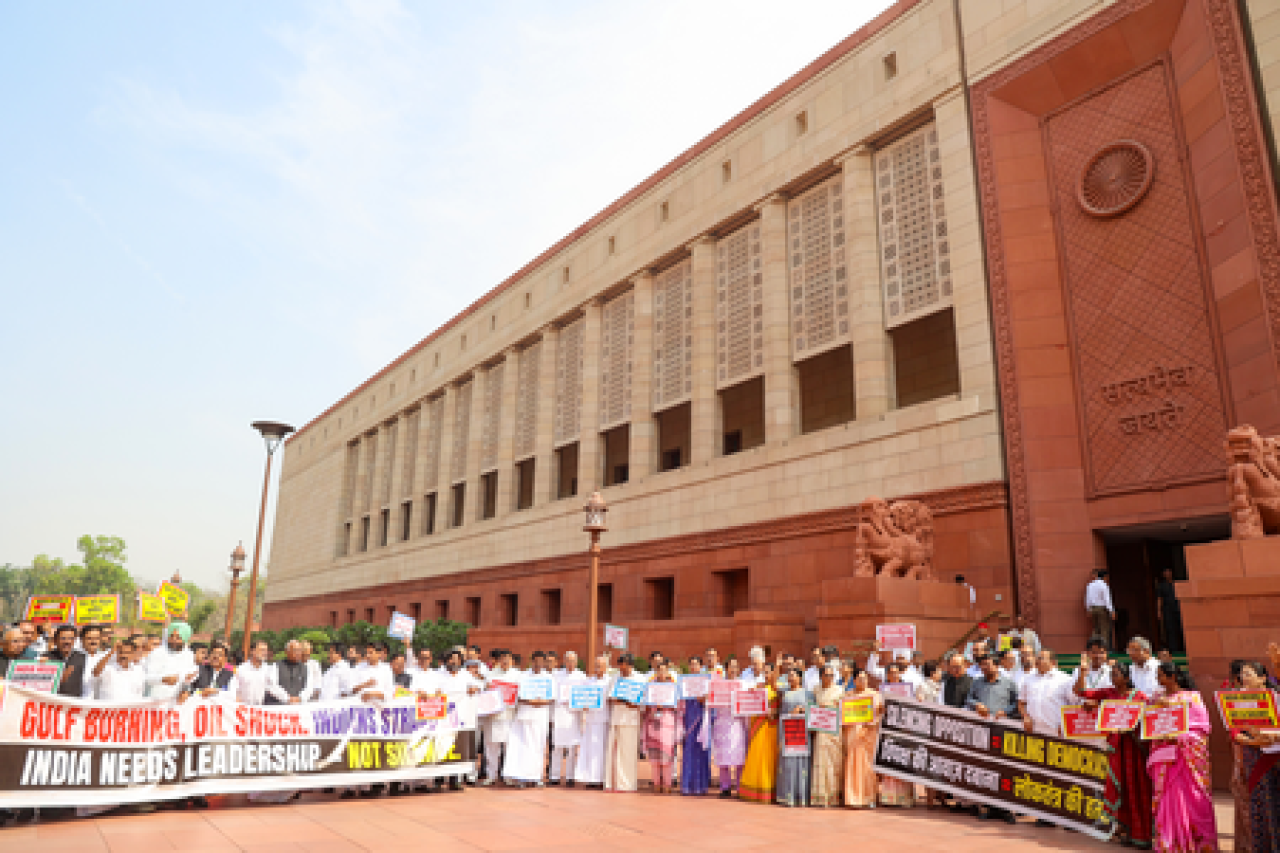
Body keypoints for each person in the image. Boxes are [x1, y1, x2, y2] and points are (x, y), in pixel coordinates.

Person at [1075, 660, 1153, 848]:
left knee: (1137, 787)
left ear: (1127, 678)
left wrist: (1130, 727)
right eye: (1112, 674)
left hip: (1135, 749)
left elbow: (1146, 722)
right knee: (1121, 788)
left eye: (1117, 674)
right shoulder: (1108, 693)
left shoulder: (1139, 696)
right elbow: (1081, 692)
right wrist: (1083, 672)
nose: (1113, 677)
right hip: (1118, 749)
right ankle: (1125, 830)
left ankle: (1141, 834)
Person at [1147, 661, 1218, 852]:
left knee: (1193, 799)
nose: (1157, 679)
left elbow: (1202, 729)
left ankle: (1197, 844)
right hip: (1165, 757)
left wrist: (1178, 737)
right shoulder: (1157, 697)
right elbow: (1151, 724)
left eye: (1161, 675)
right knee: (1168, 800)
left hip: (1186, 759)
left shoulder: (1192, 698)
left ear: (1172, 677)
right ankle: (1171, 844)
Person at [1231, 661, 1279, 852]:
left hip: (1274, 755)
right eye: (1242, 674)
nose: (1244, 677)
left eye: (1249, 674)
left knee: (1274, 802)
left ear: (1263, 678)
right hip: (1251, 754)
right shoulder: (1236, 699)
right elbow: (1234, 729)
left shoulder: (1275, 698)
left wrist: (1269, 738)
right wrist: (1251, 742)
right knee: (1258, 803)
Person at [966, 655, 1017, 823]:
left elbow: (1017, 703)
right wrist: (976, 705)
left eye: (988, 665)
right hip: (983, 731)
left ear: (997, 666)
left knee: (1003, 769)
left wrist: (1006, 711)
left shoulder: (1008, 683)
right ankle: (988, 806)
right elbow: (969, 699)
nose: (985, 668)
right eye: (982, 666)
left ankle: (1005, 809)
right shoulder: (977, 682)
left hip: (1003, 732)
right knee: (986, 767)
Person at [505, 651, 552, 788]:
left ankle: (536, 777)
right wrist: (530, 701)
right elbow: (517, 696)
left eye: (540, 661)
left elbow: (551, 698)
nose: (538, 664)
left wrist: (537, 702)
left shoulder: (549, 678)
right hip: (524, 716)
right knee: (523, 747)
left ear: (543, 663)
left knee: (538, 747)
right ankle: (521, 777)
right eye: (535, 661)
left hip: (540, 718)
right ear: (532, 661)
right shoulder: (523, 676)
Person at [739, 657, 778, 805]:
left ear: (775, 673)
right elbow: (749, 703)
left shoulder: (777, 688)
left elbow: (780, 706)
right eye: (765, 672)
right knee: (757, 757)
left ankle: (769, 791)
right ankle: (754, 790)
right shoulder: (758, 687)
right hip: (759, 726)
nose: (767, 675)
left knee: (769, 760)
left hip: (771, 727)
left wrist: (774, 712)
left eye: (770, 672)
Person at [605, 653, 645, 792]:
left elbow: (643, 700)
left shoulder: (640, 678)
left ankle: (628, 785)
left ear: (631, 665)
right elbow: (610, 697)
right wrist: (623, 701)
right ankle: (612, 783)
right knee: (614, 753)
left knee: (629, 753)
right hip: (617, 718)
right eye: (620, 666)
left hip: (632, 720)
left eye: (625, 667)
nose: (622, 669)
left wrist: (633, 704)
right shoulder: (615, 677)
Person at [841, 666, 880, 808]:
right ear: (855, 680)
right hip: (852, 735)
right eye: (860, 679)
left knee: (868, 767)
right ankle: (853, 798)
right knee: (853, 765)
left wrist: (871, 723)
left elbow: (880, 713)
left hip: (868, 735)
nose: (863, 681)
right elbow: (842, 715)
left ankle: (869, 798)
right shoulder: (848, 696)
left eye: (865, 679)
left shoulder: (874, 695)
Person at [711, 658, 748, 798]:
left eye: (736, 666)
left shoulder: (743, 684)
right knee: (723, 758)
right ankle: (725, 787)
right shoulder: (719, 684)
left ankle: (739, 787)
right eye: (731, 666)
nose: (733, 669)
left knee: (739, 758)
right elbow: (712, 702)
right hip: (722, 723)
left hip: (737, 723)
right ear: (726, 668)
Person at [775, 667, 812, 807]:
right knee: (787, 763)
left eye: (793, 675)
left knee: (801, 763)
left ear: (800, 677)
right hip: (786, 732)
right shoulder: (784, 692)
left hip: (802, 733)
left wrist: (802, 709)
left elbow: (814, 709)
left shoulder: (808, 694)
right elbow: (774, 684)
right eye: (788, 676)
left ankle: (801, 796)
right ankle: (786, 796)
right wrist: (778, 667)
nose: (790, 678)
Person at [573, 654, 611, 788]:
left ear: (606, 667)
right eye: (596, 665)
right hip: (589, 719)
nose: (597, 668)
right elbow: (582, 697)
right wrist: (582, 704)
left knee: (600, 749)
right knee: (589, 748)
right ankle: (590, 778)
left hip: (602, 719)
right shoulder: (589, 681)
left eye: (600, 665)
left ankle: (600, 778)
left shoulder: (609, 681)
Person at [809, 664, 844, 807]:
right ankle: (820, 796)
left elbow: (844, 709)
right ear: (821, 676)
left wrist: (829, 705)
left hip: (834, 733)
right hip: (820, 732)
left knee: (833, 764)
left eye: (832, 675)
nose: (829, 678)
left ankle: (833, 796)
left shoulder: (839, 690)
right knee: (820, 762)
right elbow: (811, 707)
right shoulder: (816, 690)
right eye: (826, 675)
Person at [549, 650, 585, 786]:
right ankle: (554, 776)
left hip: (573, 716)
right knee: (557, 747)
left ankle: (570, 776)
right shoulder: (556, 675)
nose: (570, 663)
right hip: (559, 713)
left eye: (573, 661)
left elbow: (585, 696)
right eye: (568, 660)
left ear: (576, 662)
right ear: (564, 661)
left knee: (572, 748)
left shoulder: (581, 677)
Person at [643, 661, 679, 793]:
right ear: (656, 672)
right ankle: (656, 783)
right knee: (654, 755)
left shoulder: (673, 687)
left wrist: (666, 705)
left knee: (666, 754)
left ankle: (667, 784)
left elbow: (677, 705)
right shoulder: (650, 687)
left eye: (664, 671)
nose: (662, 673)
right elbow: (645, 705)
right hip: (653, 722)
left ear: (668, 672)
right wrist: (652, 705)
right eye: (660, 671)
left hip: (667, 722)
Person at [1019, 649, 1074, 736]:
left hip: (1056, 733)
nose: (1037, 660)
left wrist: (1066, 724)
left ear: (1052, 662)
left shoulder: (1065, 679)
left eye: (1041, 658)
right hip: (1033, 732)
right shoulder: (1028, 679)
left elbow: (1074, 704)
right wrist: (1025, 716)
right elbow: (1021, 703)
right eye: (1037, 658)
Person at [677, 655, 710, 796]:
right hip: (688, 721)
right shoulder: (684, 683)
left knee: (701, 752)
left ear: (700, 666)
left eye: (696, 664)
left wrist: (704, 700)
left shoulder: (705, 682)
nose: (694, 667)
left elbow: (711, 701)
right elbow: (678, 701)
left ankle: (700, 786)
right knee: (688, 752)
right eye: (691, 664)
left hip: (701, 722)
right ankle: (687, 786)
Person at [145, 621, 198, 701]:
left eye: (178, 638)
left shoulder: (189, 655)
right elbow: (147, 678)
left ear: (185, 639)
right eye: (171, 636)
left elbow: (189, 677)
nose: (174, 640)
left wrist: (186, 690)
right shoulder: (158, 652)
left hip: (176, 703)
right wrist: (163, 679)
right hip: (155, 701)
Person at [268, 640, 317, 705]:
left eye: (300, 650)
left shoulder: (306, 668)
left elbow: (309, 687)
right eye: (295, 650)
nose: (298, 653)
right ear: (286, 651)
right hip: (279, 706)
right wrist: (287, 698)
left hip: (298, 706)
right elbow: (272, 685)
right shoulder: (276, 666)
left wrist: (300, 698)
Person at [45, 624, 87, 698]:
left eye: (71, 638)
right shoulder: (46, 658)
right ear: (55, 640)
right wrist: (41, 665)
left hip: (74, 705)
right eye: (63, 638)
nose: (67, 641)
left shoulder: (83, 658)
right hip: (51, 704)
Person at [1154, 569, 1185, 655]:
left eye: (1169, 572)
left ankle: (1184, 647)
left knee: (1181, 627)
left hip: (1178, 608)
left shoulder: (1177, 584)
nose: (1167, 574)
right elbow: (1159, 598)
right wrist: (1159, 611)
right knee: (1170, 629)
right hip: (1167, 609)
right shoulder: (1162, 586)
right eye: (1165, 572)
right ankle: (1174, 650)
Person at [1085, 569, 1116, 651]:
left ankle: (1092, 647)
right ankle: (1104, 648)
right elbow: (1107, 599)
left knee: (1096, 628)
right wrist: (1112, 611)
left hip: (1093, 608)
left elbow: (1087, 598)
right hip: (1102, 608)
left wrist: (1088, 609)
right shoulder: (1104, 585)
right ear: (1105, 577)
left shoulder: (1090, 585)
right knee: (1104, 629)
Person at [80, 625, 108, 700]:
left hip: (102, 706)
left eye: (97, 638)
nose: (93, 641)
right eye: (89, 638)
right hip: (79, 706)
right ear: (82, 639)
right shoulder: (74, 657)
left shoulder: (107, 658)